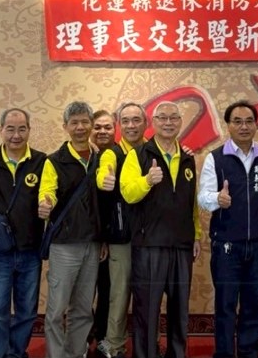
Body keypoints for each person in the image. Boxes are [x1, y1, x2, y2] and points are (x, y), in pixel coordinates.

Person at [197, 100, 258, 358]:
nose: (244, 126)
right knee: (225, 305)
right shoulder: (215, 157)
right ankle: (224, 353)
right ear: (228, 125)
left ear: (256, 125)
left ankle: (249, 352)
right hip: (226, 244)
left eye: (249, 121)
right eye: (237, 121)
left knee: (252, 304)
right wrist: (218, 199)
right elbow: (203, 197)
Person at [120, 101, 202, 358]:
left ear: (180, 122)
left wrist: (196, 234)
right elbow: (127, 193)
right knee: (147, 308)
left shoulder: (187, 157)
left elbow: (191, 201)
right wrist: (147, 181)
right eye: (162, 118)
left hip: (182, 244)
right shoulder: (138, 155)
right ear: (152, 123)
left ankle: (177, 354)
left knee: (180, 309)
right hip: (149, 244)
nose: (168, 123)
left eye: (174, 118)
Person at [38, 101, 105, 358]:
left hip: (93, 243)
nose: (80, 127)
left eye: (85, 122)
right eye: (74, 123)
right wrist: (46, 203)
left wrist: (103, 239)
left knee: (83, 309)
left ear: (91, 124)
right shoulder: (54, 161)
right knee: (57, 310)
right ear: (65, 126)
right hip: (64, 244)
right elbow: (47, 191)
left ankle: (76, 353)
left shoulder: (101, 158)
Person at [0, 108, 47, 358]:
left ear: (29, 130)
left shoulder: (41, 161)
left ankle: (17, 353)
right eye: (10, 129)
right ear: (0, 130)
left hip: (31, 250)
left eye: (21, 129)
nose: (16, 135)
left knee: (27, 311)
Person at [95, 102, 148, 358]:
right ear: (119, 125)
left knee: (148, 295)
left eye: (136, 120)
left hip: (151, 236)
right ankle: (113, 345)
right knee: (119, 293)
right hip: (121, 235)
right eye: (125, 121)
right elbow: (103, 175)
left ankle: (147, 345)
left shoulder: (153, 151)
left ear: (145, 123)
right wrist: (104, 179)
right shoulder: (112, 154)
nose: (131, 126)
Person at [90, 109, 116, 350]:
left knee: (106, 290)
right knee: (81, 293)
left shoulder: (120, 156)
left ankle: (101, 337)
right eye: (97, 126)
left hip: (109, 237)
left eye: (107, 127)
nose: (102, 131)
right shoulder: (82, 156)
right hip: (82, 237)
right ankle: (82, 338)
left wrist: (105, 239)